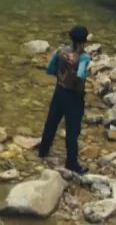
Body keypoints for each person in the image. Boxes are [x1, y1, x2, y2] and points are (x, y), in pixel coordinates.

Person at [38, 25, 93, 174]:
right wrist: (79, 70)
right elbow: (81, 75)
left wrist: (63, 75)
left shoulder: (61, 51)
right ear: (84, 41)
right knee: (72, 131)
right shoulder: (83, 57)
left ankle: (43, 151)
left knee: (51, 122)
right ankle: (72, 163)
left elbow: (50, 69)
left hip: (59, 92)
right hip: (74, 97)